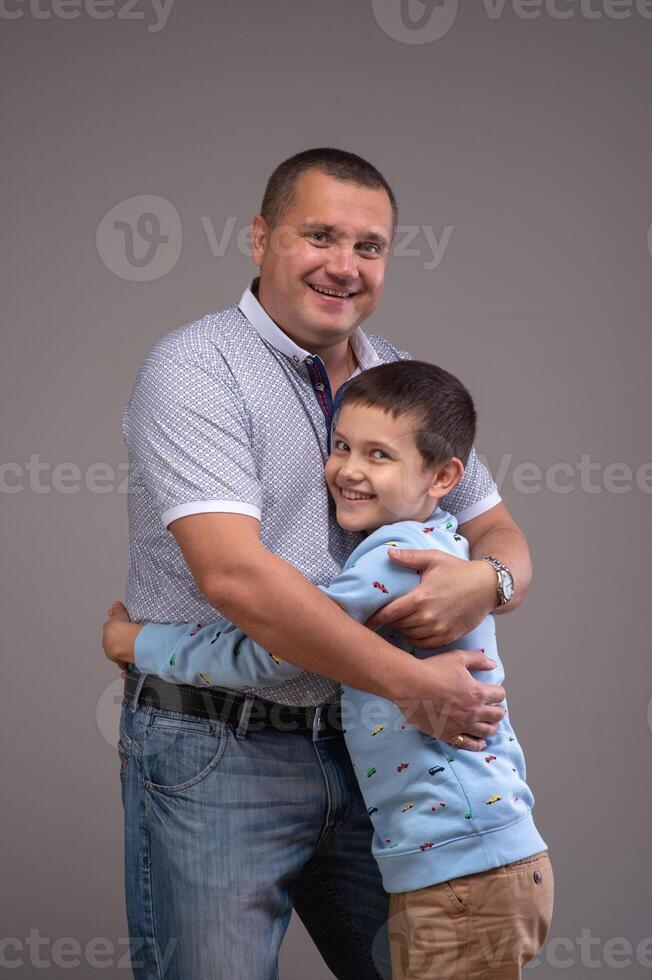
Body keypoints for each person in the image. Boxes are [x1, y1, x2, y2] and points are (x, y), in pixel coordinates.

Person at [103, 147, 533, 980]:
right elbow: (237, 580)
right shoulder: (196, 368)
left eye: (369, 247)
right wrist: (414, 682)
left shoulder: (399, 378)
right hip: (219, 747)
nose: (344, 266)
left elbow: (499, 527)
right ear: (260, 237)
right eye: (320, 236)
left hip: (378, 755)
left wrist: (491, 580)